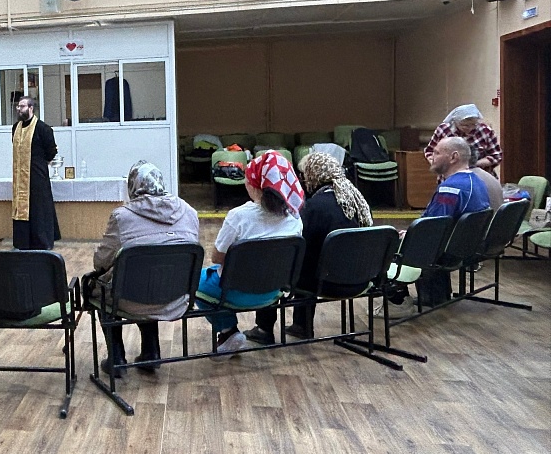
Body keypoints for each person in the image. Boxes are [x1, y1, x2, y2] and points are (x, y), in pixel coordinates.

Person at [87, 161, 200, 377]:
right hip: (176, 296)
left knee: (101, 287)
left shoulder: (122, 216)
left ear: (133, 186)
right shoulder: (189, 211)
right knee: (152, 278)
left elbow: (101, 262)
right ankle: (151, 352)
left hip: (130, 298)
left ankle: (116, 358)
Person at [247, 152, 373, 343]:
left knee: (275, 261)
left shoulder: (314, 207)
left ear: (315, 175)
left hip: (329, 283)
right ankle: (300, 325)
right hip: (362, 278)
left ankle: (264, 329)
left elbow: (296, 246)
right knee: (313, 260)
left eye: (304, 175)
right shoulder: (358, 200)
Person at [195, 151, 304, 353]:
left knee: (195, 281)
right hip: (273, 292)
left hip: (234, 293)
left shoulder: (238, 216)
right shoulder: (295, 220)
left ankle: (228, 330)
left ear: (255, 185)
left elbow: (217, 257)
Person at [388, 135, 491, 313]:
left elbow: (432, 229)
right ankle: (437, 296)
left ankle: (397, 302)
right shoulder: (477, 182)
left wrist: (409, 236)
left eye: (436, 153)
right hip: (465, 247)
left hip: (444, 252)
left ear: (453, 157)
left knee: (385, 244)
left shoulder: (450, 189)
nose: (431, 157)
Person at [11, 96, 60, 250]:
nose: (19, 109)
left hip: (37, 177)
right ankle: (22, 242)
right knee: (21, 209)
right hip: (20, 178)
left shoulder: (43, 129)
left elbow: (51, 151)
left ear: (31, 108)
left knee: (38, 210)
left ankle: (42, 242)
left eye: (22, 106)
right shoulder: (15, 128)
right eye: (18, 106)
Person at [425, 104, 502, 176]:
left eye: (473, 125)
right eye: (465, 125)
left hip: (480, 176)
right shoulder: (443, 130)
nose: (470, 128)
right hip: (449, 177)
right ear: (455, 122)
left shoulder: (485, 131)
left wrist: (471, 165)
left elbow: (496, 156)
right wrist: (438, 165)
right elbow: (429, 151)